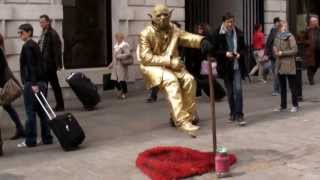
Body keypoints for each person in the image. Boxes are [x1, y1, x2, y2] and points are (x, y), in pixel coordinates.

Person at [137, 4, 213, 135]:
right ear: (152, 17)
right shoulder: (145, 34)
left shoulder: (174, 29)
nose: (162, 18)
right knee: (171, 81)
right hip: (153, 66)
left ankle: (189, 116)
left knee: (189, 80)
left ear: (170, 15)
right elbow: (146, 58)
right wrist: (170, 62)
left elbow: (187, 37)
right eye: (158, 15)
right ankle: (181, 121)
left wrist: (201, 41)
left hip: (174, 64)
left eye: (165, 15)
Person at [17, 24, 53, 147]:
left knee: (30, 112)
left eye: (21, 33)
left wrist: (32, 83)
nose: (20, 35)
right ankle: (47, 138)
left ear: (28, 32)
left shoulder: (27, 46)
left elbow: (31, 66)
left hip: (32, 83)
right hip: (42, 82)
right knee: (42, 111)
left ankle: (30, 140)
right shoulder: (35, 45)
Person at [212, 12, 247, 126]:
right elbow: (214, 51)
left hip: (237, 65)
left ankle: (240, 115)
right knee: (230, 92)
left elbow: (244, 49)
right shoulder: (217, 33)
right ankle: (232, 113)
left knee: (238, 90)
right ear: (224, 22)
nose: (231, 24)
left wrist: (239, 54)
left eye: (232, 21)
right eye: (228, 22)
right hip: (226, 67)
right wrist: (225, 53)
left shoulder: (239, 32)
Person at [0, 33, 25, 141]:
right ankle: (20, 128)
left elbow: (2, 69)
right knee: (8, 107)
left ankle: (20, 129)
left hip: (1, 85)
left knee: (8, 107)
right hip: (2, 84)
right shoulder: (1, 50)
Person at [39, 15, 64, 111]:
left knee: (53, 85)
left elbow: (57, 50)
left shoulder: (52, 34)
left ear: (48, 22)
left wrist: (58, 64)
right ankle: (44, 104)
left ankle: (60, 105)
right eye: (40, 22)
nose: (41, 24)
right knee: (46, 85)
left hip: (49, 65)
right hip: (44, 64)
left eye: (42, 22)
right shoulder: (44, 33)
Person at [273, 21, 299, 112]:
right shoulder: (277, 36)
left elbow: (295, 50)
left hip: (289, 64)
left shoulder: (290, 36)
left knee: (292, 86)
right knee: (282, 87)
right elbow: (275, 46)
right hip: (280, 64)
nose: (284, 27)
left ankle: (295, 105)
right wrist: (275, 50)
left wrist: (282, 53)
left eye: (285, 26)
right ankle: (283, 105)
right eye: (283, 26)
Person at [108, 33, 130, 99]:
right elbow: (114, 57)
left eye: (118, 37)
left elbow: (128, 54)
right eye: (116, 37)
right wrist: (111, 64)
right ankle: (120, 90)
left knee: (122, 80)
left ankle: (124, 93)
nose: (117, 39)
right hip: (115, 66)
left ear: (121, 38)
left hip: (121, 65)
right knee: (114, 80)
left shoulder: (125, 45)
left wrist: (119, 56)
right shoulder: (116, 46)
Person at [266, 17, 281, 96]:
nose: (278, 23)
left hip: (279, 55)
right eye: (277, 22)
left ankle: (277, 89)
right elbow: (268, 43)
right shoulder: (273, 31)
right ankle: (277, 89)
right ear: (275, 23)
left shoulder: (280, 30)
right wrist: (267, 54)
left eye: (279, 22)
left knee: (277, 73)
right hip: (274, 56)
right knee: (276, 73)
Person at [303, 15, 320, 85]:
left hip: (318, 50)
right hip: (310, 51)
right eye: (313, 21)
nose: (314, 22)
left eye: (315, 21)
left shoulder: (319, 29)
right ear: (310, 22)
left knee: (317, 64)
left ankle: (311, 75)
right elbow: (302, 39)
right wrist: (307, 42)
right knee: (311, 65)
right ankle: (310, 78)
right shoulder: (307, 30)